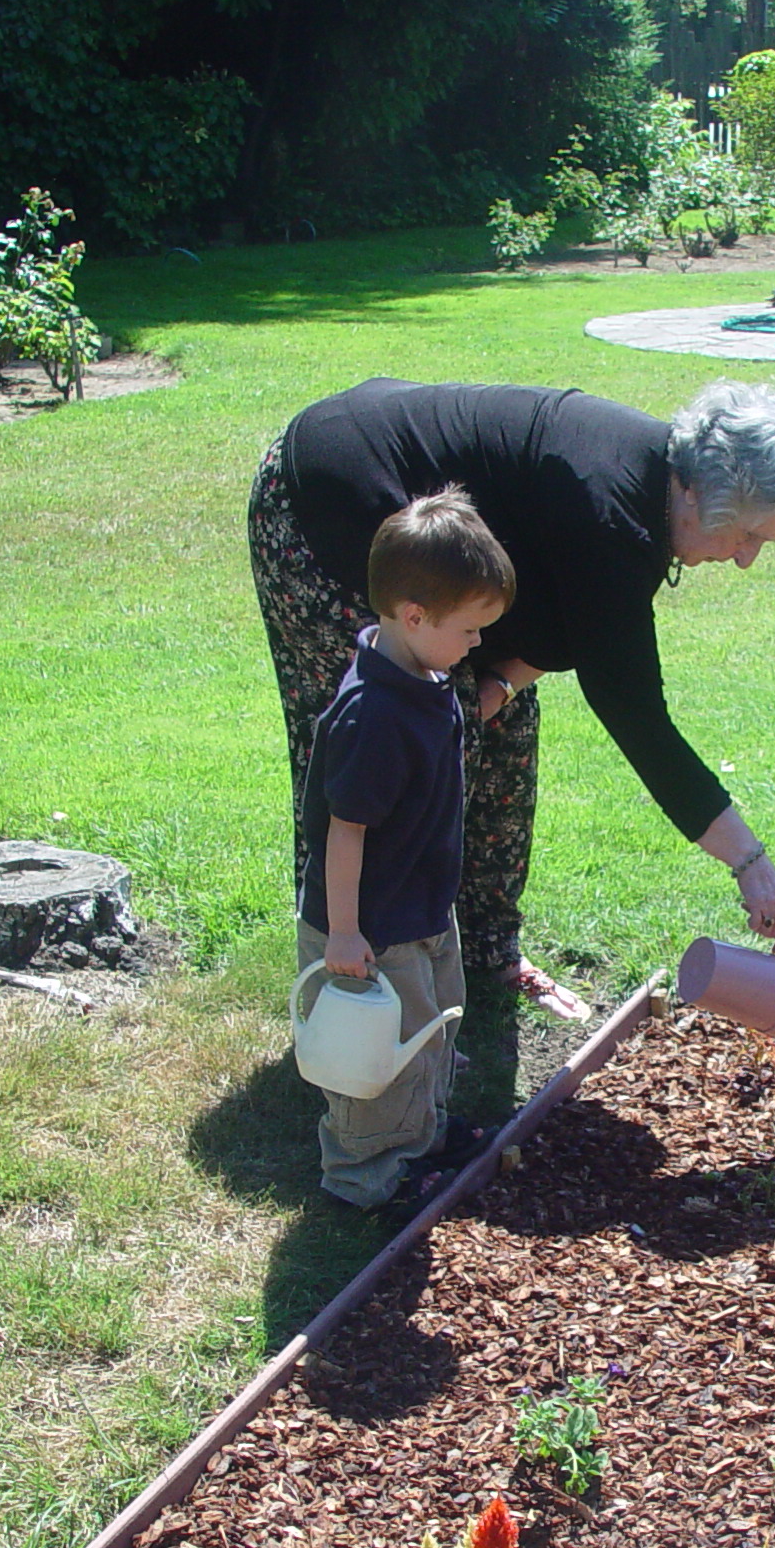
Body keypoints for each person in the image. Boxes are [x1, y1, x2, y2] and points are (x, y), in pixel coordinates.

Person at [249, 378, 775, 1016]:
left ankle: (481, 959)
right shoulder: (613, 510)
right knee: (384, 758)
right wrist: (749, 863)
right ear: (712, 496)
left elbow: (560, 617)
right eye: (751, 536)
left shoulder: (650, 495)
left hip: (435, 548)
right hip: (328, 503)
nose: (746, 560)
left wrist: (501, 683)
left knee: (496, 737)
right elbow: (634, 712)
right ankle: (356, 989)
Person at [295, 489, 513, 1209]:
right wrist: (346, 931)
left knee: (428, 1029)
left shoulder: (424, 673)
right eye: (470, 629)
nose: (477, 643)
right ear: (414, 617)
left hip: (420, 906)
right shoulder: (373, 716)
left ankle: (420, 1138)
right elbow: (343, 830)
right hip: (371, 925)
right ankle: (365, 1174)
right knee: (372, 1056)